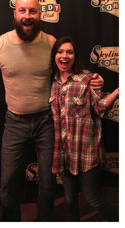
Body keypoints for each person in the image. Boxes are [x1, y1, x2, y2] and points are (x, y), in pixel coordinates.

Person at [0, 0, 104, 221]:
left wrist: (94, 80)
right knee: (6, 185)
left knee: (47, 182)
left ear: (40, 14)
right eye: (22, 11)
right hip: (14, 123)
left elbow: (71, 73)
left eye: (32, 11)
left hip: (48, 121)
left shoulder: (52, 43)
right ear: (14, 13)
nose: (27, 16)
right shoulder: (0, 43)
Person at [50, 36, 119, 221]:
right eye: (60, 51)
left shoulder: (88, 79)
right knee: (69, 199)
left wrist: (118, 91)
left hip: (86, 152)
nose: (64, 56)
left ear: (75, 56)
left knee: (93, 197)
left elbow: (101, 107)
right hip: (65, 153)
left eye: (69, 52)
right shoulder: (52, 82)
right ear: (54, 55)